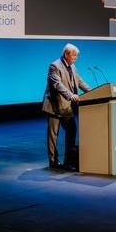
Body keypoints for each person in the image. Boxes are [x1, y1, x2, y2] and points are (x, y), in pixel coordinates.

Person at [41, 43, 92, 171]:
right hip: (54, 106)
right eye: (73, 56)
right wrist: (71, 95)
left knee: (72, 131)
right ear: (66, 54)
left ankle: (68, 161)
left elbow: (79, 81)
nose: (75, 59)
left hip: (67, 108)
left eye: (76, 57)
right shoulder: (54, 66)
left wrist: (92, 92)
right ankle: (53, 162)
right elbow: (58, 85)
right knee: (53, 136)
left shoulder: (72, 66)